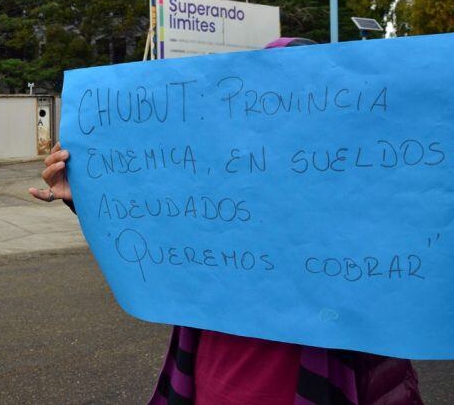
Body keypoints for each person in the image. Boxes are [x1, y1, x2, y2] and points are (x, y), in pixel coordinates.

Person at [29, 39, 423, 404]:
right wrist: (86, 194)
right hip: (206, 386)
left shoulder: (366, 219)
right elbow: (154, 229)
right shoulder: (221, 210)